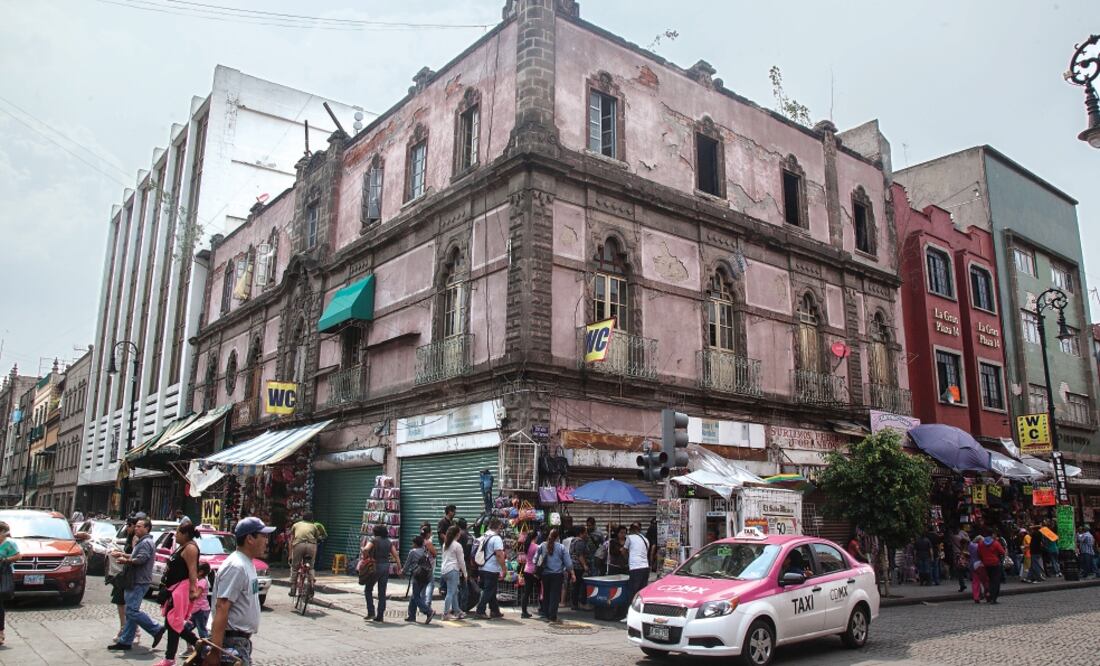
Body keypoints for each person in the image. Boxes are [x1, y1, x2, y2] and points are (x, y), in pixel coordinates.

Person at [204, 517, 274, 666]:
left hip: (240, 641)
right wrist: (216, 650)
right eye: (263, 536)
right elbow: (222, 606)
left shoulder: (247, 563)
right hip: (231, 642)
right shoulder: (236, 566)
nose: (266, 541)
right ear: (250, 539)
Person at [108, 517, 166, 651]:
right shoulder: (143, 542)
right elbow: (136, 556)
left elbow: (141, 559)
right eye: (136, 526)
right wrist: (123, 554)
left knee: (131, 611)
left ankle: (156, 628)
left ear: (147, 528)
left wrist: (126, 561)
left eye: (139, 526)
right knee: (130, 612)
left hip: (139, 581)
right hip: (135, 580)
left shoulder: (145, 542)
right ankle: (126, 641)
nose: (136, 528)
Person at [156, 521, 201, 666]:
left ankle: (197, 643)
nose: (176, 535)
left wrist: (193, 590)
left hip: (180, 590)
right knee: (171, 622)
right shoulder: (183, 546)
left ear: (185, 534)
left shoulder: (190, 548)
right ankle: (170, 658)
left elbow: (192, 570)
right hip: (174, 589)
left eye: (178, 532)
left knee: (173, 621)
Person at [362, 524, 401, 622]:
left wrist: (365, 556)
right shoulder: (388, 542)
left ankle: (371, 612)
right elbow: (396, 555)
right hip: (386, 567)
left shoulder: (373, 540)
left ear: (375, 532)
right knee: (382, 592)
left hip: (375, 566)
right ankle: (380, 615)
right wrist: (399, 567)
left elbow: (366, 549)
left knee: (368, 589)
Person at [537, 528, 574, 622]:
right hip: (557, 575)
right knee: (555, 595)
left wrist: (536, 569)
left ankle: (546, 614)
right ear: (558, 537)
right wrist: (573, 574)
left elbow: (535, 559)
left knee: (546, 594)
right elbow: (568, 563)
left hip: (545, 574)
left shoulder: (542, 545)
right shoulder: (561, 547)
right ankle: (552, 616)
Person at [473, 518, 506, 619]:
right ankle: (480, 611)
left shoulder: (485, 535)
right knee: (489, 590)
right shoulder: (496, 538)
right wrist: (504, 568)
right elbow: (499, 554)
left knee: (492, 590)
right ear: (498, 526)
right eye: (501, 527)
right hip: (491, 569)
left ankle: (495, 610)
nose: (501, 529)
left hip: (482, 567)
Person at [288, 512, 323, 596]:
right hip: (311, 546)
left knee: (295, 568)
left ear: (302, 518)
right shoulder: (314, 526)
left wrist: (290, 555)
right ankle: (311, 584)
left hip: (298, 545)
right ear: (311, 519)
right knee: (311, 567)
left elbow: (291, 541)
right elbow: (317, 538)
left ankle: (293, 588)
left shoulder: (295, 525)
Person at [402, 535, 435, 624]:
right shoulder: (425, 551)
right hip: (426, 575)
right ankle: (411, 616)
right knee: (414, 596)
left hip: (417, 575)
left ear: (415, 544)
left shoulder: (413, 552)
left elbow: (407, 564)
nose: (412, 545)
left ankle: (428, 611)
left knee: (416, 596)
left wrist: (403, 572)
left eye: (413, 543)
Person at [440, 525, 467, 620]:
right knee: (451, 592)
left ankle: (457, 611)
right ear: (457, 534)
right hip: (453, 570)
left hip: (445, 570)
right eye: (459, 533)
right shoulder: (457, 545)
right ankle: (445, 613)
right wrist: (465, 573)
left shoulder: (445, 544)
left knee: (454, 591)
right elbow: (461, 561)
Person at [0, 521, 21, 645]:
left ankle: (0, 632)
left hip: (2, 575)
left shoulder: (9, 544)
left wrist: (5, 559)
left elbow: (18, 556)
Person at [625, 523, 651, 621]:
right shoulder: (646, 539)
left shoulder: (629, 537)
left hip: (635, 567)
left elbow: (624, 550)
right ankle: (641, 615)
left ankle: (629, 615)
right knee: (641, 593)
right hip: (645, 567)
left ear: (631, 530)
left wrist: (626, 557)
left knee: (632, 592)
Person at [976, 528, 1006, 604]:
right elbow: (1002, 552)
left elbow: (979, 553)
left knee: (989, 580)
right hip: (995, 563)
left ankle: (988, 596)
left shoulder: (981, 543)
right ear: (992, 534)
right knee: (996, 581)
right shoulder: (995, 543)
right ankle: (993, 598)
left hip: (986, 564)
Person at [519, 529, 541, 619]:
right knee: (540, 590)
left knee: (527, 592)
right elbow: (539, 559)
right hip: (535, 571)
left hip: (527, 570)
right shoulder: (537, 547)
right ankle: (542, 608)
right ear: (535, 537)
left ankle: (524, 612)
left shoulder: (526, 545)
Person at [190, 561, 212, 639]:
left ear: (200, 572)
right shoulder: (197, 580)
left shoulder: (203, 581)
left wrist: (187, 596)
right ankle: (192, 643)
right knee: (186, 629)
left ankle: (206, 645)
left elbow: (196, 595)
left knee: (202, 632)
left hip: (201, 610)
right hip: (195, 610)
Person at [569, 525, 589, 610]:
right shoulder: (579, 542)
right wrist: (585, 565)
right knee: (581, 585)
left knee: (575, 585)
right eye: (585, 533)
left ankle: (574, 603)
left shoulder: (573, 540)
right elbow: (580, 555)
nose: (586, 534)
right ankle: (581, 603)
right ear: (581, 533)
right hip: (578, 567)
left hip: (573, 565)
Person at [968, 537, 988, 603]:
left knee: (975, 582)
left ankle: (976, 597)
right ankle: (987, 595)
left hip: (973, 565)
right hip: (981, 564)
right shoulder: (981, 546)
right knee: (985, 581)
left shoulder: (970, 546)